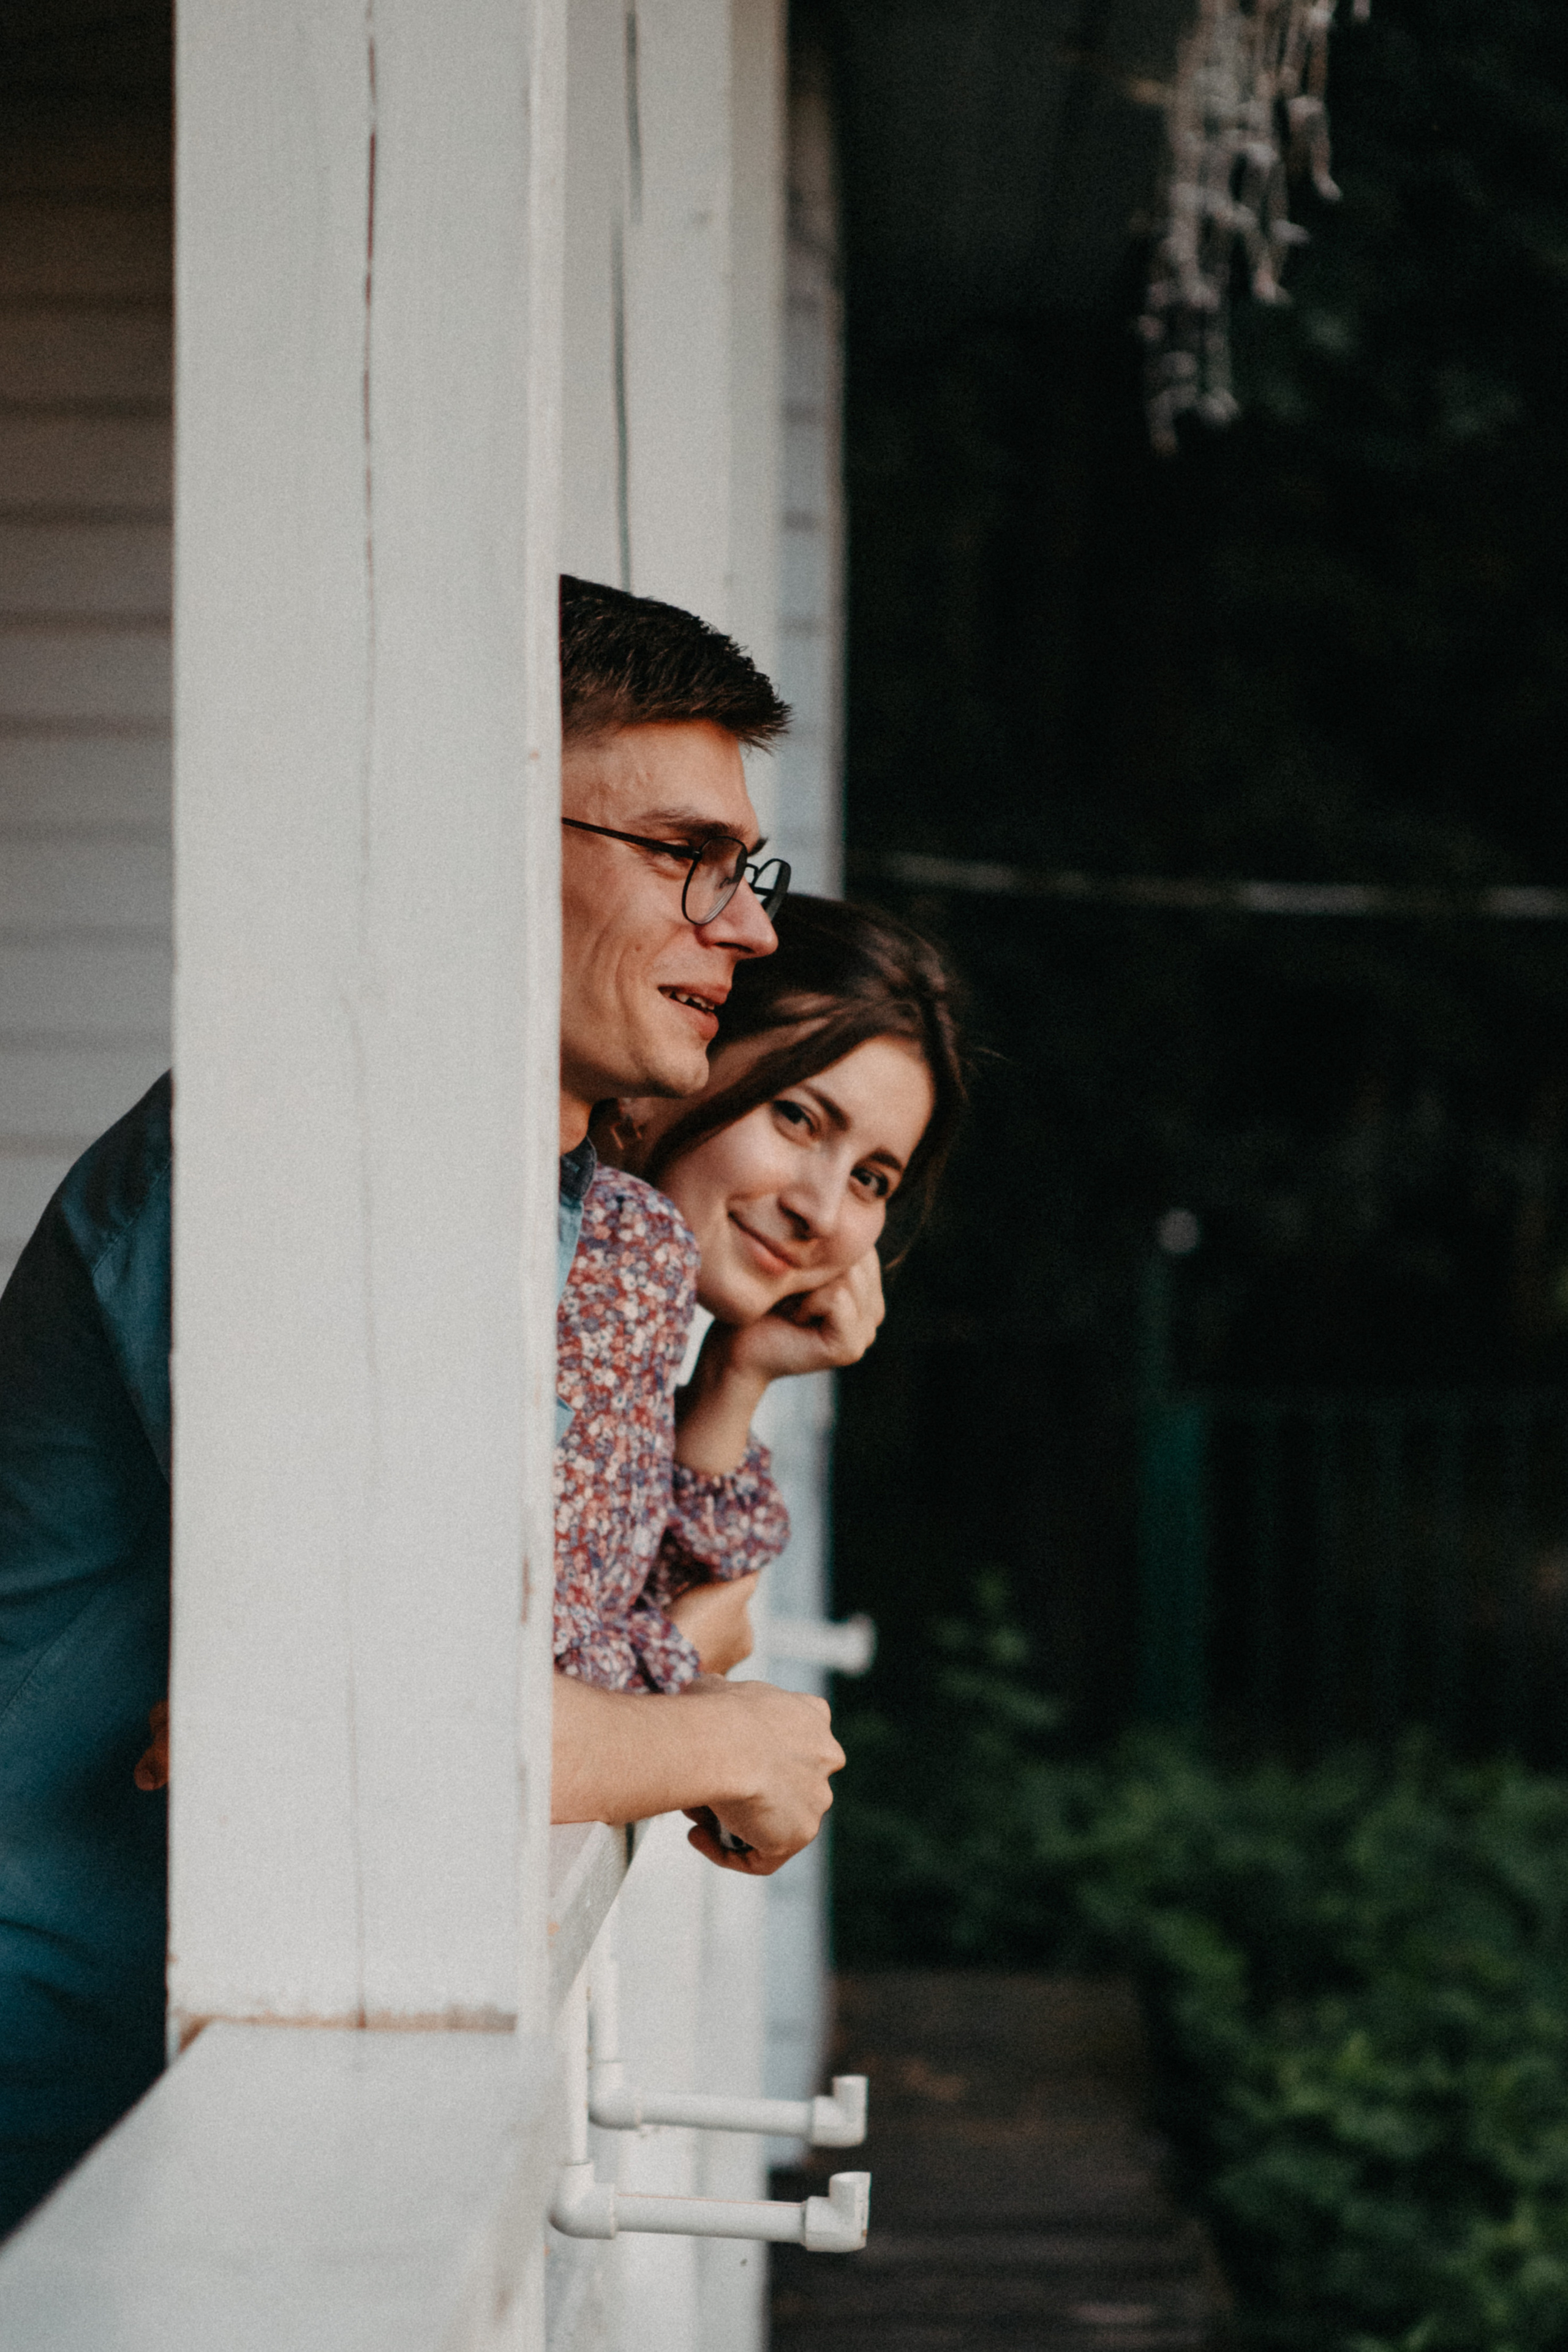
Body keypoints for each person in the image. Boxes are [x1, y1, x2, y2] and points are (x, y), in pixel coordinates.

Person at [0, 573, 841, 2235]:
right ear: (481, 830)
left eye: (747, 872)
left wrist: (738, 1372)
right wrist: (723, 1740)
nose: (745, 928)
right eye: (686, 856)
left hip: (212, 2089)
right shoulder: (301, 1146)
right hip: (57, 2115)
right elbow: (335, 1727)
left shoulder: (546, 1213)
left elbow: (554, 1663)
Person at [552, 895, 966, 1762]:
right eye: (800, 1117)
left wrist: (737, 1377)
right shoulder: (624, 1243)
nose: (821, 1209)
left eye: (872, 1180)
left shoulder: (611, 1248)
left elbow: (619, 1599)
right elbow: (557, 1701)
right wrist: (692, 1661)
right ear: (684, 1058)